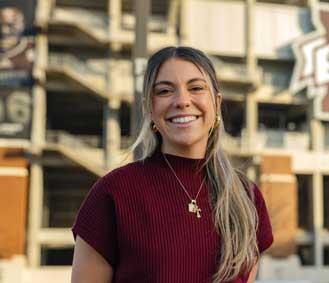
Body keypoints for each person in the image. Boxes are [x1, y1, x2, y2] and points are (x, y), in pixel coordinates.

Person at [71, 46, 274, 283]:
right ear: (149, 107)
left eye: (196, 88)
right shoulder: (113, 193)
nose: (182, 101)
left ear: (217, 104)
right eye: (165, 91)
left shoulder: (246, 197)